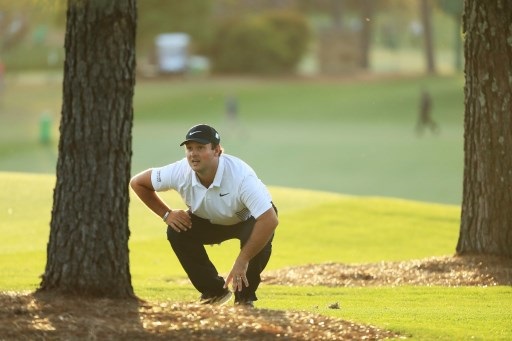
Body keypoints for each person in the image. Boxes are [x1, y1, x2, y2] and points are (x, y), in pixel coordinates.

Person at [130, 124, 278, 307]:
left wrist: (243, 259)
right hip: (208, 220)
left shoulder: (240, 176)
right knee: (177, 231)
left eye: (200, 148)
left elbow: (269, 219)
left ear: (217, 151)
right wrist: (167, 214)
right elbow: (138, 183)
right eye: (189, 148)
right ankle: (214, 292)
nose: (193, 154)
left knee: (255, 244)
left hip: (248, 219)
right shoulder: (179, 171)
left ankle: (244, 300)